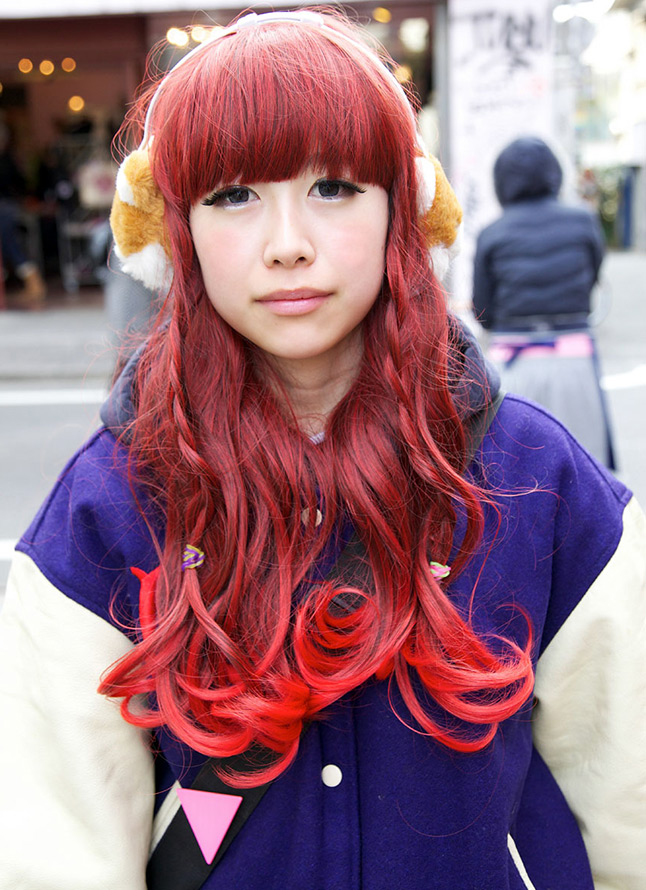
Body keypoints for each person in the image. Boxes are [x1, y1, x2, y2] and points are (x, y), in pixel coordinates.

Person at [0, 13, 644, 890]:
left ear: (401, 210)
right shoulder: (110, 503)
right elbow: (57, 841)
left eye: (335, 187)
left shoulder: (536, 477)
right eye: (234, 196)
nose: (288, 241)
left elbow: (629, 801)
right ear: (176, 233)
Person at [472, 136, 615, 469]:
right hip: (574, 356)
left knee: (512, 473)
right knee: (586, 469)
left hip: (512, 363)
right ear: (555, 174)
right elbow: (592, 279)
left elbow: (483, 309)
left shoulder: (492, 233)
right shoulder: (584, 222)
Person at [0, 120, 47, 308]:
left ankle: (33, 283)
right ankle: (33, 282)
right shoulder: (8, 159)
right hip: (10, 208)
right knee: (10, 243)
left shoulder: (6, 160)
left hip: (6, 209)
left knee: (9, 242)